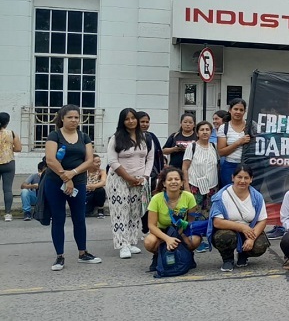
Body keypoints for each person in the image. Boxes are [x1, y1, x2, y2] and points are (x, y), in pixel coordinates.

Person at [43, 104, 102, 270]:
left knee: (79, 218)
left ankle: (83, 253)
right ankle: (59, 256)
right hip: (55, 182)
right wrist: (64, 176)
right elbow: (50, 160)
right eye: (70, 117)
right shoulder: (54, 135)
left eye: (77, 117)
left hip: (79, 182)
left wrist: (72, 174)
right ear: (62, 118)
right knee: (59, 218)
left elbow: (89, 160)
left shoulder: (84, 137)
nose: (74, 120)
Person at [107, 108, 154, 259]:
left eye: (133, 118)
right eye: (127, 119)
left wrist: (145, 177)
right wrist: (128, 177)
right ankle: (122, 244)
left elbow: (150, 158)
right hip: (119, 179)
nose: (131, 121)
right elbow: (112, 161)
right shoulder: (116, 138)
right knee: (120, 212)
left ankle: (131, 241)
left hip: (140, 180)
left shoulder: (145, 137)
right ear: (122, 121)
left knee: (135, 211)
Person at [208, 166, 269, 272]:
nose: (242, 181)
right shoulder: (222, 196)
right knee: (224, 237)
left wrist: (251, 239)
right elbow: (217, 222)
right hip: (229, 229)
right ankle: (228, 259)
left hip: (250, 230)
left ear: (251, 179)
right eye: (239, 177)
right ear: (233, 178)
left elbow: (262, 220)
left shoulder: (257, 197)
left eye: (246, 178)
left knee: (260, 245)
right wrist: (241, 227)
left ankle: (243, 255)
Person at [144, 167, 202, 271]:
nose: (173, 182)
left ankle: (187, 254)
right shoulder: (156, 199)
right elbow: (151, 226)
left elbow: (191, 221)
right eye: (170, 180)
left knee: (195, 239)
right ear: (164, 184)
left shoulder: (189, 197)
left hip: (181, 229)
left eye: (177, 179)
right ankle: (159, 255)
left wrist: (181, 235)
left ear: (182, 183)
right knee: (149, 241)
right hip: (162, 231)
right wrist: (167, 239)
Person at [182, 121, 220, 253]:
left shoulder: (214, 147)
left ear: (211, 132)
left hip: (211, 187)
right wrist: (186, 186)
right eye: (202, 130)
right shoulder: (192, 147)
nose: (205, 132)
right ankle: (195, 240)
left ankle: (205, 238)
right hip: (194, 186)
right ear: (197, 133)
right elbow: (185, 168)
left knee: (207, 214)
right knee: (194, 214)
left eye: (207, 130)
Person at [217, 99, 251, 187]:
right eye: (235, 109)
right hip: (230, 166)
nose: (238, 112)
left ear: (245, 112)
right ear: (230, 110)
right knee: (229, 194)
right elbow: (221, 152)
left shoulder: (251, 126)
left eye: (241, 110)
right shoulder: (224, 128)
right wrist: (238, 142)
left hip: (248, 165)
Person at [0, 112, 22, 221]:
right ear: (7, 122)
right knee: (7, 189)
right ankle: (8, 214)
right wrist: (8, 149)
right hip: (8, 163)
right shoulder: (12, 133)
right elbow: (18, 148)